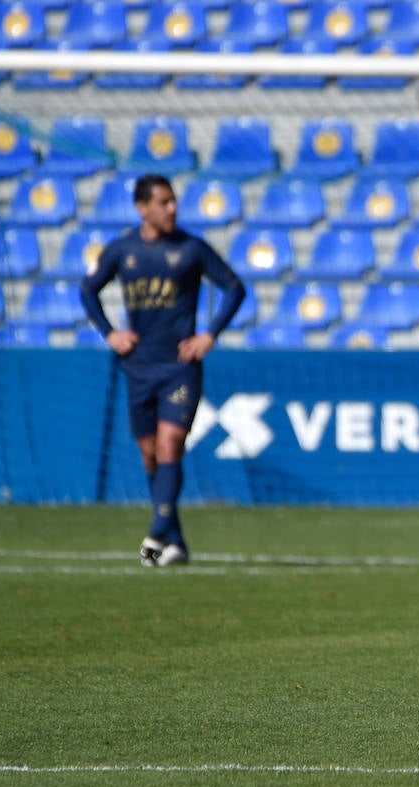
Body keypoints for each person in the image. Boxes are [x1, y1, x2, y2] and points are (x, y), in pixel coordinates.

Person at [80, 173, 246, 567]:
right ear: (143, 208)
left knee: (171, 444)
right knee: (150, 454)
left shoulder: (191, 249)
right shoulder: (122, 250)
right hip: (138, 366)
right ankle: (176, 542)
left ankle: (154, 536)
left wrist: (209, 335)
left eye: (174, 202)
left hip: (179, 367)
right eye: (164, 202)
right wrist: (109, 333)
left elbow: (234, 287)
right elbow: (87, 290)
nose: (172, 209)